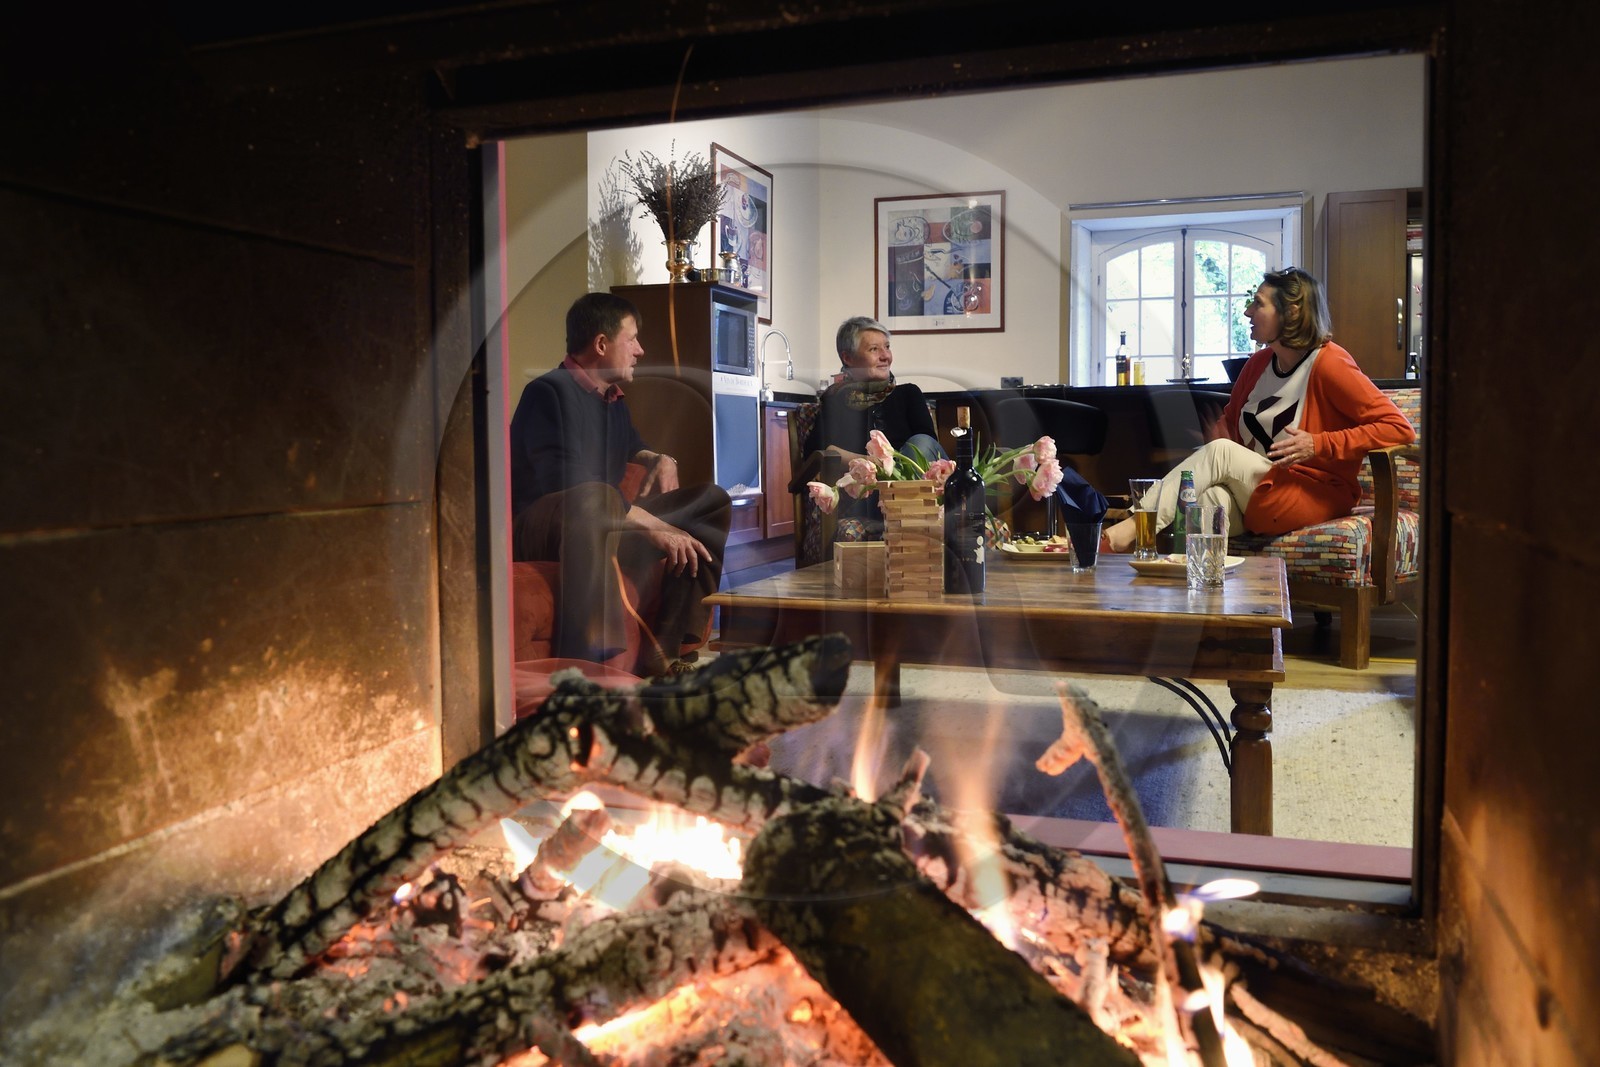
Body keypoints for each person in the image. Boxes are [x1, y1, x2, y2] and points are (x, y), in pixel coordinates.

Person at [1103, 267, 1415, 552]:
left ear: (1290, 312)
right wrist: (1216, 437)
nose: (1247, 311)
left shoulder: (1330, 364)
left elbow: (1398, 428)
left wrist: (1317, 444)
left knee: (1221, 454)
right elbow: (1230, 429)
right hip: (1261, 493)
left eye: (1258, 304)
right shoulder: (1256, 366)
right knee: (1209, 502)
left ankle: (1122, 534)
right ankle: (1203, 602)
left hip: (1309, 494)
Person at [510, 292, 731, 676]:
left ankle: (667, 648)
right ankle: (586, 663)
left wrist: (659, 459)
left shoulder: (611, 398)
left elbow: (632, 444)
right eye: (632, 339)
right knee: (595, 496)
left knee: (711, 500)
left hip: (604, 521)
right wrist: (655, 525)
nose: (640, 350)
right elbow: (564, 481)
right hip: (544, 526)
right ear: (601, 344)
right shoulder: (547, 393)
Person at [802, 316, 945, 535]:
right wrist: (875, 465)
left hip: (921, 492)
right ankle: (907, 531)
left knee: (920, 443)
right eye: (874, 349)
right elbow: (820, 451)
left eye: (887, 347)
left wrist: (892, 469)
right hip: (869, 498)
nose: (885, 356)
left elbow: (927, 449)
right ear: (848, 357)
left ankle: (904, 523)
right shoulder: (836, 400)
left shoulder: (908, 394)